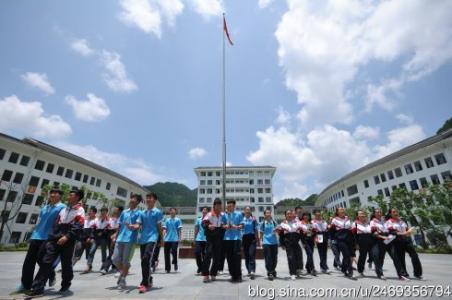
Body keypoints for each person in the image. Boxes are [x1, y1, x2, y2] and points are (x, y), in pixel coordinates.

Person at [27, 189, 85, 296]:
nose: (68, 196)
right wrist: (51, 237)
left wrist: (67, 237)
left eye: (71, 195)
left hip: (68, 240)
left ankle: (66, 284)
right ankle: (37, 288)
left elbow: (78, 226)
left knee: (66, 264)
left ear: (77, 197)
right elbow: (56, 224)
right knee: (46, 261)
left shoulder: (80, 210)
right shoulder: (64, 210)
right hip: (55, 238)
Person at [15, 187, 66, 294]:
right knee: (28, 262)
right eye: (51, 192)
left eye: (55, 193)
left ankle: (48, 275)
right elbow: (41, 222)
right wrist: (33, 233)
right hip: (36, 236)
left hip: (48, 238)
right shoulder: (45, 207)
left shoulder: (62, 208)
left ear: (60, 195)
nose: (52, 194)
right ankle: (25, 285)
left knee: (42, 261)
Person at [111, 194, 142, 289]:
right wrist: (115, 234)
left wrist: (133, 226)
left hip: (130, 239)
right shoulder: (124, 212)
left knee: (125, 260)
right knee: (115, 259)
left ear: (137, 202)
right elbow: (120, 225)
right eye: (131, 198)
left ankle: (123, 278)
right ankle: (124, 272)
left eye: (134, 199)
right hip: (120, 238)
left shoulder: (139, 213)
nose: (131, 200)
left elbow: (138, 225)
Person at [385, 208, 423, 280]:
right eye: (394, 212)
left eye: (396, 211)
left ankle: (417, 273)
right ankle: (404, 274)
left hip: (406, 240)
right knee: (401, 258)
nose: (396, 213)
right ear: (390, 214)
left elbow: (407, 229)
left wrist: (410, 231)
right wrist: (404, 233)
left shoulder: (402, 221)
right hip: (397, 241)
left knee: (414, 255)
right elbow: (393, 232)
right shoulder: (389, 222)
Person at [138, 192, 163, 293]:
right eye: (147, 198)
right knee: (143, 261)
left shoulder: (157, 212)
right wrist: (133, 226)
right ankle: (149, 278)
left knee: (146, 258)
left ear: (155, 200)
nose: (148, 199)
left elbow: (159, 227)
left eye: (150, 198)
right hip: (143, 239)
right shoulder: (142, 212)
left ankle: (144, 283)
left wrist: (162, 239)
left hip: (153, 238)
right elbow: (138, 224)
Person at [353, 209, 384, 279]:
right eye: (360, 214)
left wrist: (376, 232)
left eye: (363, 214)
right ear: (357, 216)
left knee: (375, 255)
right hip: (362, 242)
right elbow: (354, 235)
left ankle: (380, 273)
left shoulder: (369, 223)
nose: (362, 215)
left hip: (371, 241)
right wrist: (356, 244)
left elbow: (373, 231)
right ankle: (360, 271)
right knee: (362, 257)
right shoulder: (355, 224)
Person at [201, 198, 225, 283]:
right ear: (214, 206)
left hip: (219, 237)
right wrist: (208, 226)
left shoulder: (223, 215)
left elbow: (225, 223)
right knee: (208, 254)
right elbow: (203, 223)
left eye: (220, 205)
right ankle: (206, 274)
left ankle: (213, 273)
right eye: (217, 205)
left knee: (217, 257)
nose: (218, 207)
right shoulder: (209, 214)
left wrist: (224, 225)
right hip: (210, 237)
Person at [221, 199, 244, 283]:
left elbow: (242, 225)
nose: (228, 207)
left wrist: (235, 227)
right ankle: (233, 275)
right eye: (228, 206)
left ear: (234, 206)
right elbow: (222, 225)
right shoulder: (224, 215)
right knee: (229, 257)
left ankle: (239, 275)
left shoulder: (239, 214)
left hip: (236, 238)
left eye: (230, 206)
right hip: (227, 238)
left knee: (237, 257)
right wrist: (226, 226)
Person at [85, 206, 111, 274]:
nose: (103, 213)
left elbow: (108, 229)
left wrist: (102, 232)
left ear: (106, 212)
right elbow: (93, 229)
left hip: (104, 239)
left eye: (104, 212)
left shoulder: (108, 220)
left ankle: (103, 265)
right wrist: (91, 237)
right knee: (91, 251)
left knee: (103, 253)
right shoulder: (97, 220)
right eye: (102, 211)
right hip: (96, 239)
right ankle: (89, 266)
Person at [278, 209, 303, 280]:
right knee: (291, 258)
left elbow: (300, 232)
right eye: (288, 214)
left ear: (292, 215)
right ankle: (292, 273)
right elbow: (281, 235)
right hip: (288, 243)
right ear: (285, 215)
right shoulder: (283, 224)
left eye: (290, 214)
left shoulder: (296, 222)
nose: (289, 215)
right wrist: (282, 244)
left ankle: (298, 270)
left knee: (299, 255)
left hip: (296, 242)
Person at [330, 207, 354, 278]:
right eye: (340, 210)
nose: (342, 210)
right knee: (346, 254)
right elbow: (331, 231)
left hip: (348, 239)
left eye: (343, 209)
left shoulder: (347, 218)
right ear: (337, 212)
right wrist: (333, 241)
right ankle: (350, 271)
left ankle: (343, 269)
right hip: (340, 239)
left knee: (347, 255)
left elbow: (350, 229)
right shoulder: (334, 220)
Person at [101, 205, 123, 274]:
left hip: (118, 236)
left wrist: (115, 236)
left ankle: (106, 267)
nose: (114, 210)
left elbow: (119, 228)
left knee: (113, 253)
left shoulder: (122, 218)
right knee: (112, 252)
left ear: (119, 211)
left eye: (116, 209)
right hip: (112, 235)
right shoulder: (113, 218)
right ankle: (109, 267)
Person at [259, 209, 278, 281]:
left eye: (269, 213)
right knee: (268, 258)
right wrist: (260, 242)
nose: (268, 214)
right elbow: (261, 233)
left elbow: (278, 230)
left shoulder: (274, 222)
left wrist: (276, 230)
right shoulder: (263, 223)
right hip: (266, 242)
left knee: (274, 258)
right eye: (267, 213)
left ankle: (273, 269)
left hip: (274, 242)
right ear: (264, 215)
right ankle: (270, 272)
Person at [162, 207, 183, 273]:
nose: (172, 213)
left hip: (175, 238)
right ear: (170, 212)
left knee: (174, 251)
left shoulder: (178, 220)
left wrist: (180, 238)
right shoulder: (167, 220)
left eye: (173, 212)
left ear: (175, 212)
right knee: (166, 254)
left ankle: (175, 262)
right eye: (171, 211)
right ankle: (167, 268)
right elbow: (165, 229)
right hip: (167, 239)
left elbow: (179, 230)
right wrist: (163, 237)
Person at [242, 206, 260, 279]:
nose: (247, 211)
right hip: (244, 238)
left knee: (251, 254)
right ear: (244, 211)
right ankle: (249, 270)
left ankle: (252, 270)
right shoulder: (242, 219)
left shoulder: (253, 219)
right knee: (246, 255)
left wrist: (258, 240)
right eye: (246, 210)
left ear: (250, 211)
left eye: (249, 210)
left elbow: (256, 230)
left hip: (252, 238)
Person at [80, 206, 98, 274]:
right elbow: (83, 228)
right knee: (87, 254)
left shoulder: (96, 220)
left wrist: (91, 237)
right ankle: (89, 266)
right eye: (89, 211)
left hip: (92, 239)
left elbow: (94, 230)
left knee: (90, 252)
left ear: (94, 213)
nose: (89, 212)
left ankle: (88, 267)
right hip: (83, 238)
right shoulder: (86, 219)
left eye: (91, 211)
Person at [311, 209, 329, 273]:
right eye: (317, 215)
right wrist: (316, 238)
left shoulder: (323, 221)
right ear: (314, 215)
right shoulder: (313, 222)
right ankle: (323, 267)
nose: (318, 216)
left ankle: (323, 266)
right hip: (318, 235)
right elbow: (314, 230)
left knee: (325, 252)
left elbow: (326, 228)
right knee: (321, 251)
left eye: (319, 215)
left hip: (324, 235)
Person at [194, 206, 209, 274]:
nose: (204, 211)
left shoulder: (209, 220)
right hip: (199, 239)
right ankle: (200, 267)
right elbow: (196, 229)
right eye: (203, 210)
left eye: (206, 210)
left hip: (206, 240)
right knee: (197, 253)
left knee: (205, 255)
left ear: (207, 212)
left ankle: (204, 268)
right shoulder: (198, 219)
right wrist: (194, 238)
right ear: (202, 211)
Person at [294, 206, 305, 273]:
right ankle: (296, 268)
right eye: (298, 212)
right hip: (295, 238)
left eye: (301, 212)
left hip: (302, 238)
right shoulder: (294, 219)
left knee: (300, 253)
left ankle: (299, 268)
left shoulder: (303, 219)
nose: (300, 213)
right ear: (295, 212)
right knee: (296, 253)